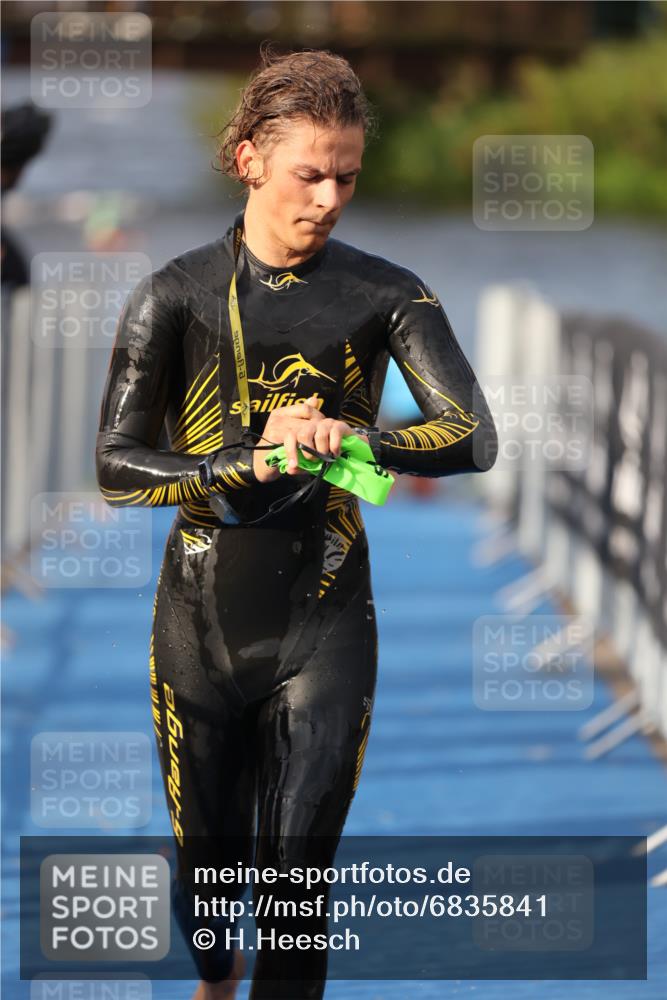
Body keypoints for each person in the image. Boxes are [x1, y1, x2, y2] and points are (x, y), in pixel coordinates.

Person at [95, 45, 498, 1000]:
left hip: (323, 619)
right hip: (199, 624)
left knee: (297, 883)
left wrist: (350, 438)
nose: (327, 197)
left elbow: (471, 437)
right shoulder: (175, 294)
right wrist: (246, 459)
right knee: (209, 891)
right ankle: (213, 971)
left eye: (347, 177)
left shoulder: (385, 293)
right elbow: (115, 470)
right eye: (308, 173)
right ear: (248, 159)